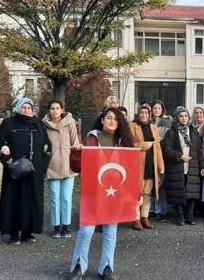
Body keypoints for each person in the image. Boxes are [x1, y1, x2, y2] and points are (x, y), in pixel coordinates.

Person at [68, 107, 137, 280]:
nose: (112, 121)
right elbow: (76, 167)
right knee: (86, 230)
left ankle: (106, 266)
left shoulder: (125, 142)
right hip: (93, 192)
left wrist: (135, 194)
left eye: (115, 119)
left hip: (114, 193)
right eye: (109, 118)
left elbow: (131, 170)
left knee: (110, 230)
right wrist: (76, 153)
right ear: (102, 120)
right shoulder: (91, 140)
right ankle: (78, 266)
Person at [0, 98, 51, 245]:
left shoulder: (38, 124)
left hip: (34, 171)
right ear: (19, 108)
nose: (26, 110)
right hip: (16, 170)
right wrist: (7, 159)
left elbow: (47, 145)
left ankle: (28, 232)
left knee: (32, 200)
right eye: (24, 107)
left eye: (29, 108)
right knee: (14, 200)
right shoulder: (9, 123)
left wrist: (43, 163)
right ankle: (13, 233)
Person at [43, 100, 81, 238]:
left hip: (67, 165)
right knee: (54, 198)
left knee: (66, 197)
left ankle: (66, 225)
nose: (55, 111)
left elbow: (75, 140)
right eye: (52, 108)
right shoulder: (44, 125)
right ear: (49, 110)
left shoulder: (70, 123)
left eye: (57, 108)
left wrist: (76, 146)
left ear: (62, 109)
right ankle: (56, 226)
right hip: (52, 165)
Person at [161, 106, 204, 226]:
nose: (184, 118)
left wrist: (202, 166)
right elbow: (167, 148)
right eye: (181, 116)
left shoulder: (193, 131)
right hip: (177, 165)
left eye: (186, 116)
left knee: (191, 190)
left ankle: (189, 216)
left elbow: (199, 150)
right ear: (176, 117)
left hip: (192, 165)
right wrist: (179, 156)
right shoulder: (171, 132)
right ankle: (180, 216)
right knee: (179, 190)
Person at [130, 104, 165, 230]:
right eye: (142, 113)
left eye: (146, 113)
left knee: (147, 193)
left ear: (149, 114)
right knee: (136, 192)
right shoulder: (132, 126)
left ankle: (145, 216)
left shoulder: (153, 127)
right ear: (138, 114)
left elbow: (157, 147)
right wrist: (144, 145)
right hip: (138, 165)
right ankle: (136, 217)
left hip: (151, 164)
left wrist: (161, 165)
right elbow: (129, 144)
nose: (144, 115)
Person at [151, 100, 172, 220]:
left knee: (161, 183)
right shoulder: (148, 121)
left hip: (162, 154)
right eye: (155, 108)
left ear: (162, 109)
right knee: (151, 183)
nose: (156, 110)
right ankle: (151, 209)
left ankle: (160, 209)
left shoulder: (167, 122)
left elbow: (168, 138)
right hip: (150, 154)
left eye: (159, 108)